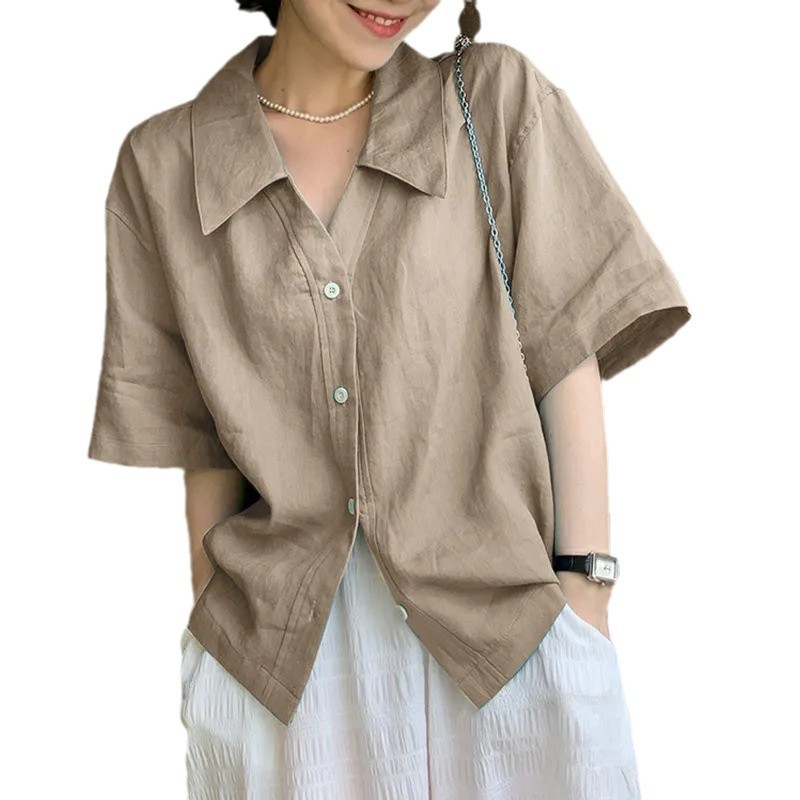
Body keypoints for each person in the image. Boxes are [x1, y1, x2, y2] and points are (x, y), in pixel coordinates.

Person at [87, 0, 691, 797]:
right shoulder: (166, 163)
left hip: (510, 644)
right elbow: (200, 441)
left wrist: (585, 600)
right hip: (283, 675)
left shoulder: (494, 103)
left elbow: (565, 358)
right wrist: (212, 658)